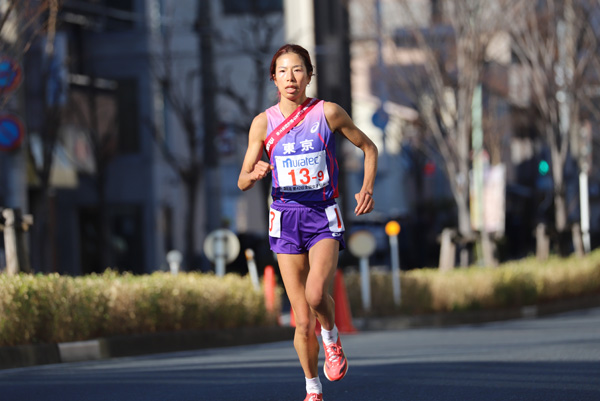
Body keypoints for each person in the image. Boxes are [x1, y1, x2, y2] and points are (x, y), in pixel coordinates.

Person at [238, 44, 378, 401]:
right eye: (283, 71)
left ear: (309, 76)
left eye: (298, 70)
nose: (290, 78)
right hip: (284, 220)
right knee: (300, 319)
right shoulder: (262, 122)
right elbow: (241, 179)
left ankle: (331, 337)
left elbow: (369, 147)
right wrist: (253, 173)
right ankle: (312, 388)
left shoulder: (327, 113)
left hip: (322, 215)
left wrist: (366, 188)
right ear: (273, 78)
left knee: (317, 294)